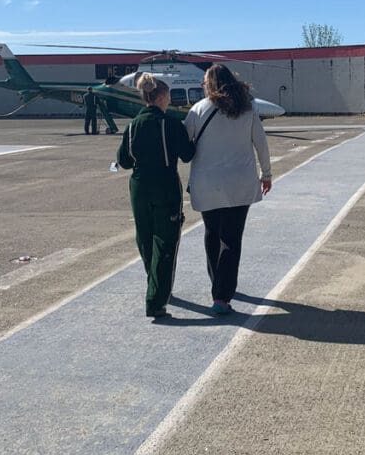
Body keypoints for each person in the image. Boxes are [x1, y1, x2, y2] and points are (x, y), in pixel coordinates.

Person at [184, 64, 272, 316]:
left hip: (207, 184)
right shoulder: (247, 110)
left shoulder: (197, 110)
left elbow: (185, 144)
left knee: (212, 234)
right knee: (231, 240)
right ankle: (222, 295)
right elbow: (261, 144)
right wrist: (266, 174)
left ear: (209, 85)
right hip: (240, 184)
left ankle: (217, 285)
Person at [115, 74, 195, 319]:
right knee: (166, 240)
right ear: (161, 97)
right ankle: (156, 300)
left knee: (145, 236)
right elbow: (188, 154)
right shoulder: (170, 124)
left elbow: (124, 161)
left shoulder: (132, 126)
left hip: (139, 186)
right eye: (168, 96)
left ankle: (154, 282)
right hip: (165, 184)